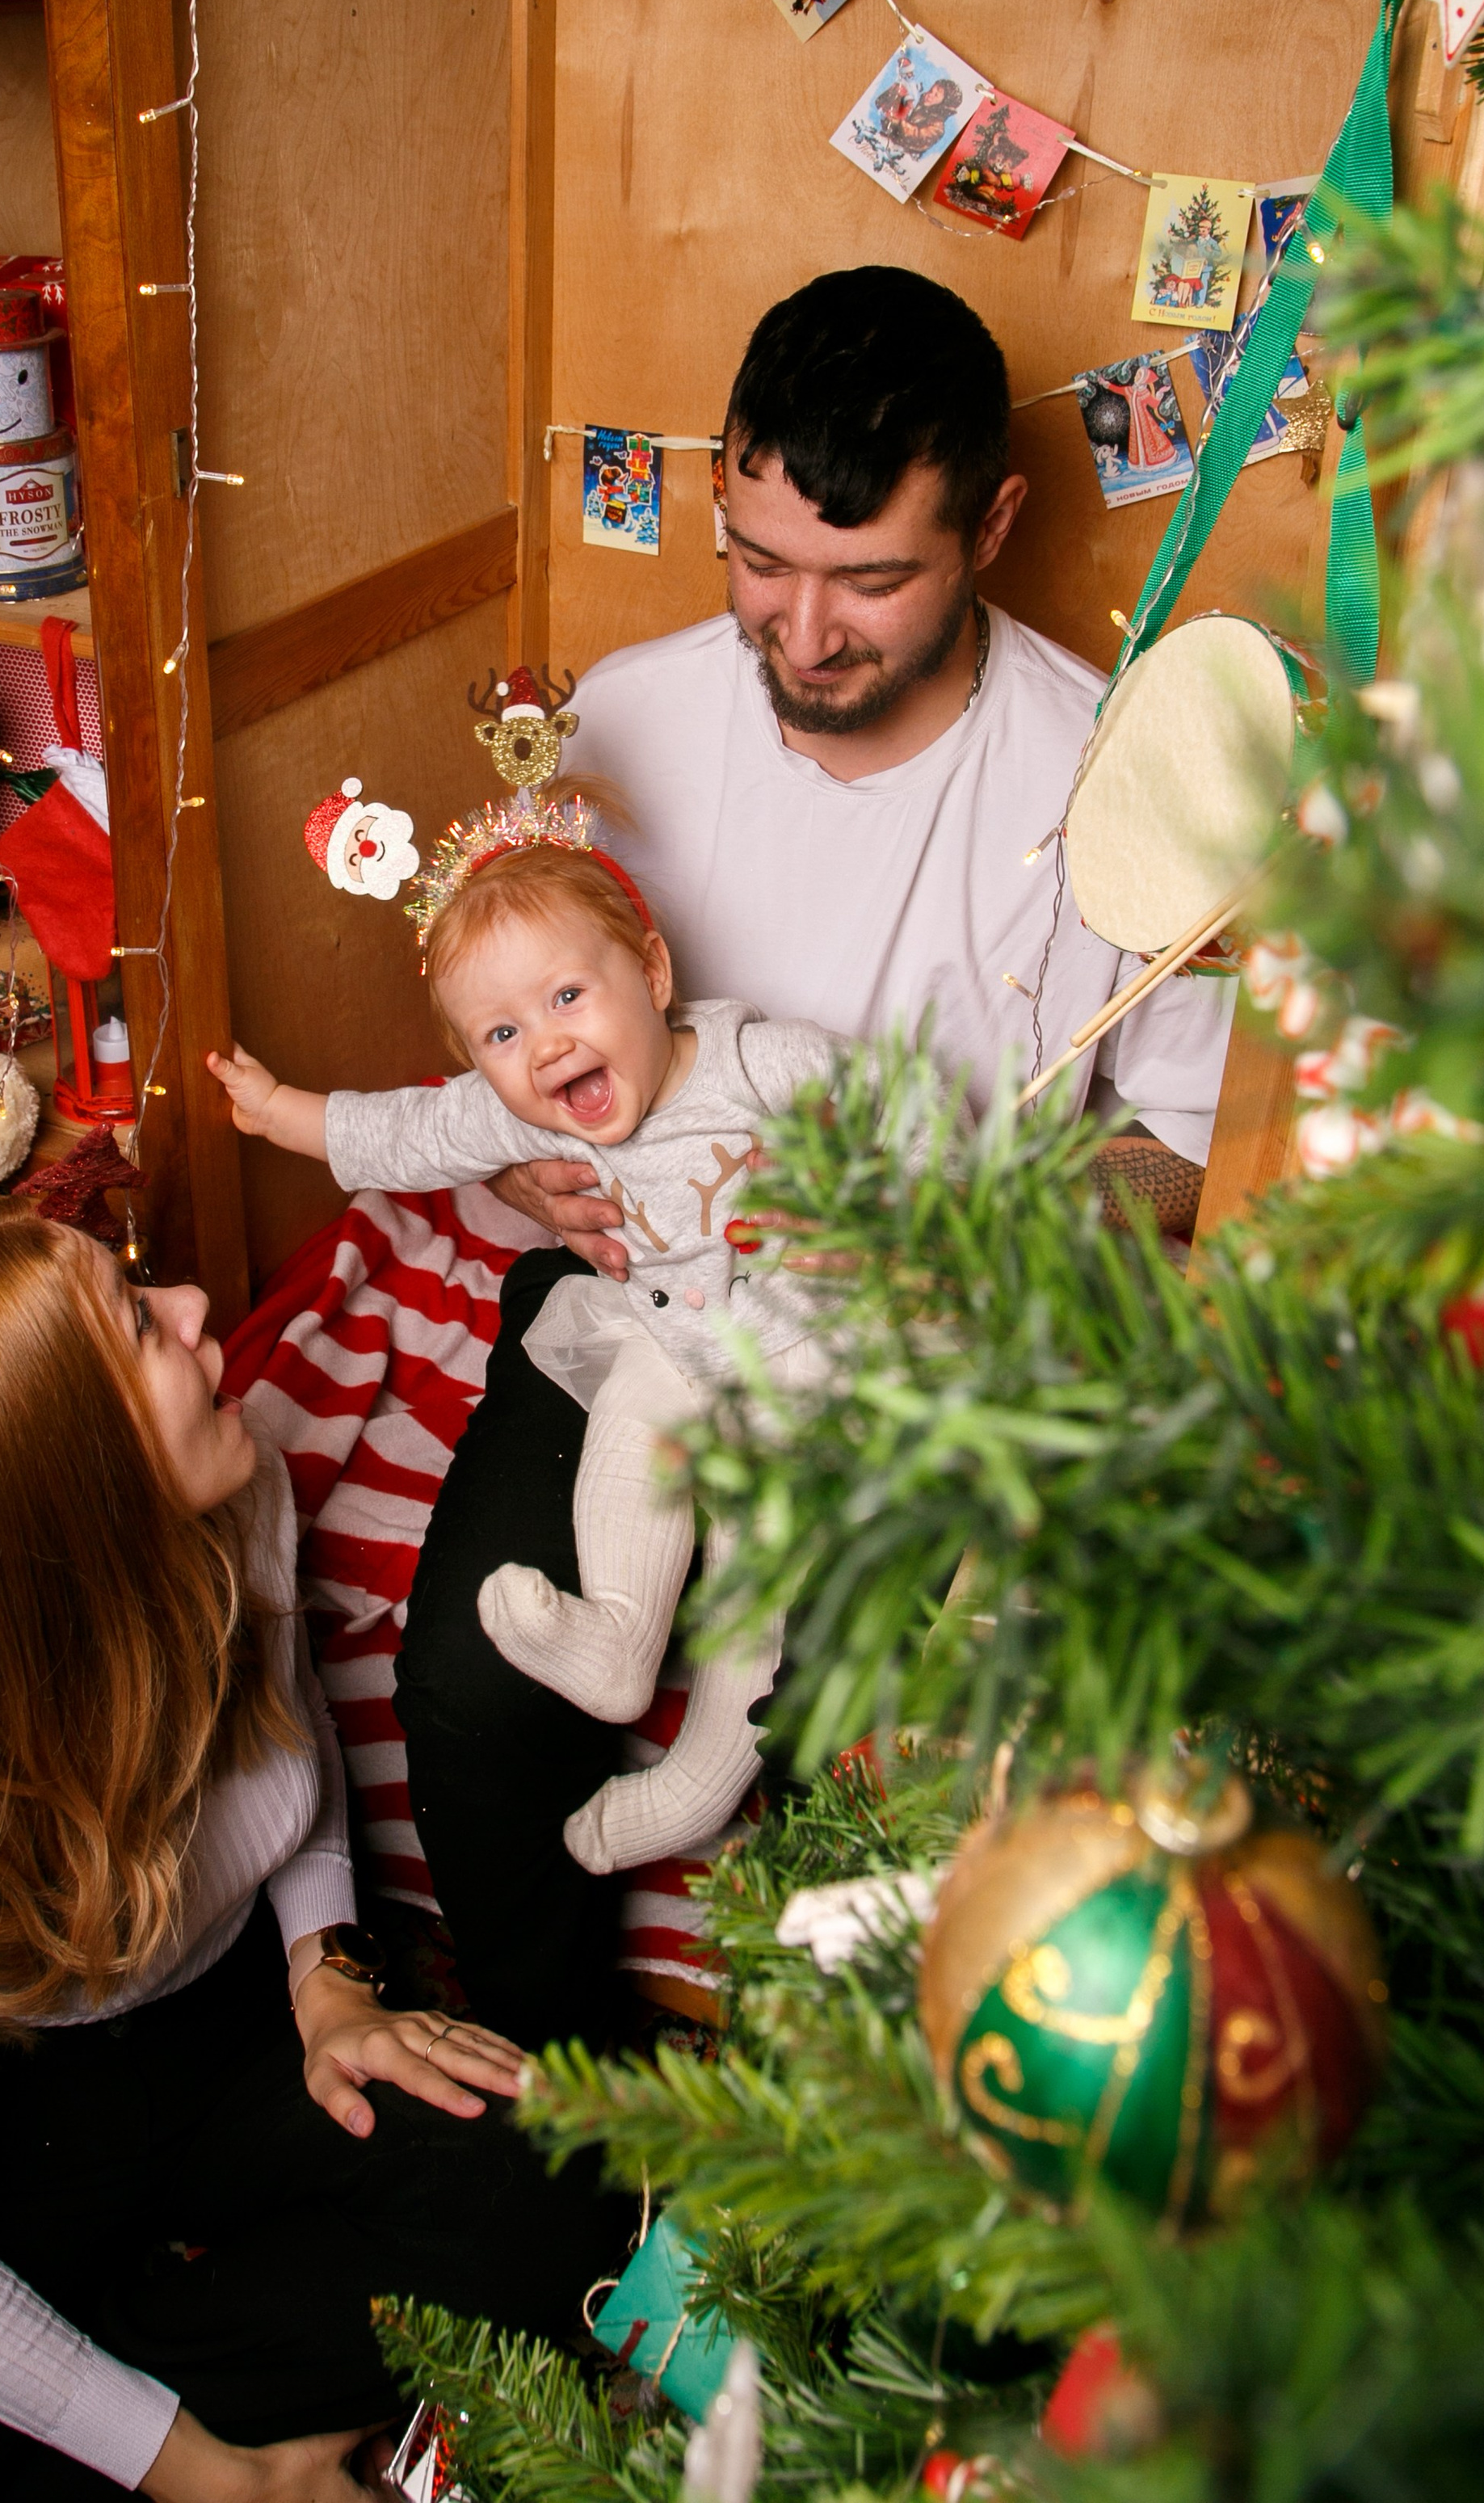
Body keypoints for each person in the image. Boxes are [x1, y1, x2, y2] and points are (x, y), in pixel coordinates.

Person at [392, 265, 1230, 2051]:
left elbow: (1174, 1147)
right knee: (466, 1683)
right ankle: (558, 2100)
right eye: (758, 562)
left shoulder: (1100, 768)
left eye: (870, 580)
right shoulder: (617, 713)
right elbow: (512, 1013)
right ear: (718, 495)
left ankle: (798, 2204)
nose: (802, 628)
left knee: (863, 1759)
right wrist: (531, 1163)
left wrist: (964, 1235)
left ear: (992, 526)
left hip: (900, 1357)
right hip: (643, 1300)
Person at [0, 1204, 625, 2503]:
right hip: (33, 2099)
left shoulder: (241, 1481)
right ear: (70, 1480)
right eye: (144, 1326)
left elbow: (299, 1758)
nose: (204, 1309)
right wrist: (203, 2472)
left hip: (237, 2024)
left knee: (568, 2197)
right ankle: (152, 2420)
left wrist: (328, 1976)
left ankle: (97, 2387)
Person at [211, 815, 947, 1888]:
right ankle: (615, 1638)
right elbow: (405, 1138)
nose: (544, 1044)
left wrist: (892, 1222)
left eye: (566, 998)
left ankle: (692, 1787)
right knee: (624, 1436)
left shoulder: (762, 1064)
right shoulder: (537, 1120)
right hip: (662, 1340)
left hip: (796, 1354)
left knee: (761, 1581)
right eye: (499, 1035)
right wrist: (279, 1110)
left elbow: (912, 1110)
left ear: (651, 972)